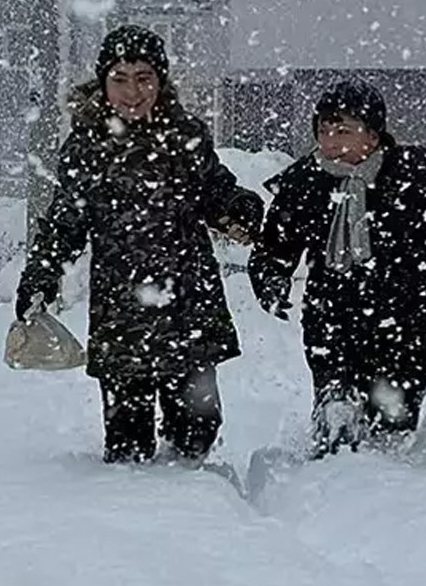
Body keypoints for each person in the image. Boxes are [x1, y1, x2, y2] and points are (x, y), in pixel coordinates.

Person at [15, 24, 264, 466]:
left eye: (144, 78)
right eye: (121, 79)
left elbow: (213, 192)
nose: (133, 92)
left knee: (199, 429)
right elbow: (65, 222)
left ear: (161, 81)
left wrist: (238, 207)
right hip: (121, 311)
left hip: (188, 302)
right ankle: (133, 525)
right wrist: (41, 273)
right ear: (103, 82)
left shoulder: (186, 137)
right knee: (128, 441)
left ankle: (197, 511)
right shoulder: (86, 148)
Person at [247, 78, 426, 458]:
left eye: (343, 130)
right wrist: (271, 279)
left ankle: (385, 491)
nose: (330, 141)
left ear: (372, 136)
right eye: (323, 130)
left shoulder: (410, 176)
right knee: (336, 418)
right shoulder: (305, 182)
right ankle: (331, 464)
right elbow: (276, 245)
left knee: (392, 428)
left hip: (403, 322)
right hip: (332, 322)